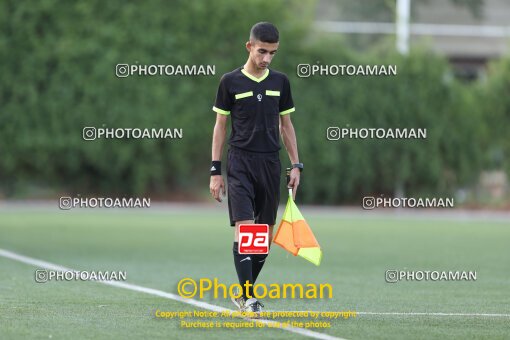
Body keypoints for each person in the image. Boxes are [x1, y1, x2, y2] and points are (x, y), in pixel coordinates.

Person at [209, 22, 303, 314]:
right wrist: (215, 171)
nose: (266, 58)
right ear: (249, 46)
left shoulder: (281, 83)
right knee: (246, 229)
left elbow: (286, 126)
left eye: (272, 53)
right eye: (262, 51)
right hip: (240, 163)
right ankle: (249, 299)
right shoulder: (230, 82)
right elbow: (220, 127)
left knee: (264, 236)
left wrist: (296, 165)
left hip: (270, 163)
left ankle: (243, 294)